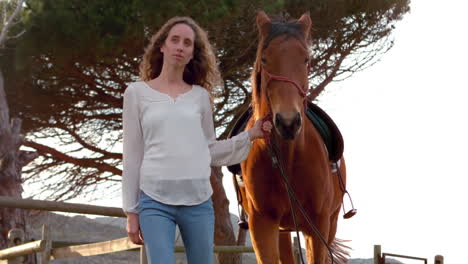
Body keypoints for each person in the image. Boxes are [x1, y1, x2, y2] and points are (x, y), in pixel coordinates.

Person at [122, 16, 272, 264]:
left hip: (199, 202)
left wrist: (251, 135)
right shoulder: (136, 94)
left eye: (187, 43)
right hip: (154, 201)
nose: (180, 46)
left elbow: (209, 149)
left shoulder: (200, 97)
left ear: (193, 53)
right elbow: (133, 155)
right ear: (162, 46)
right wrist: (131, 211)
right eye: (175, 40)